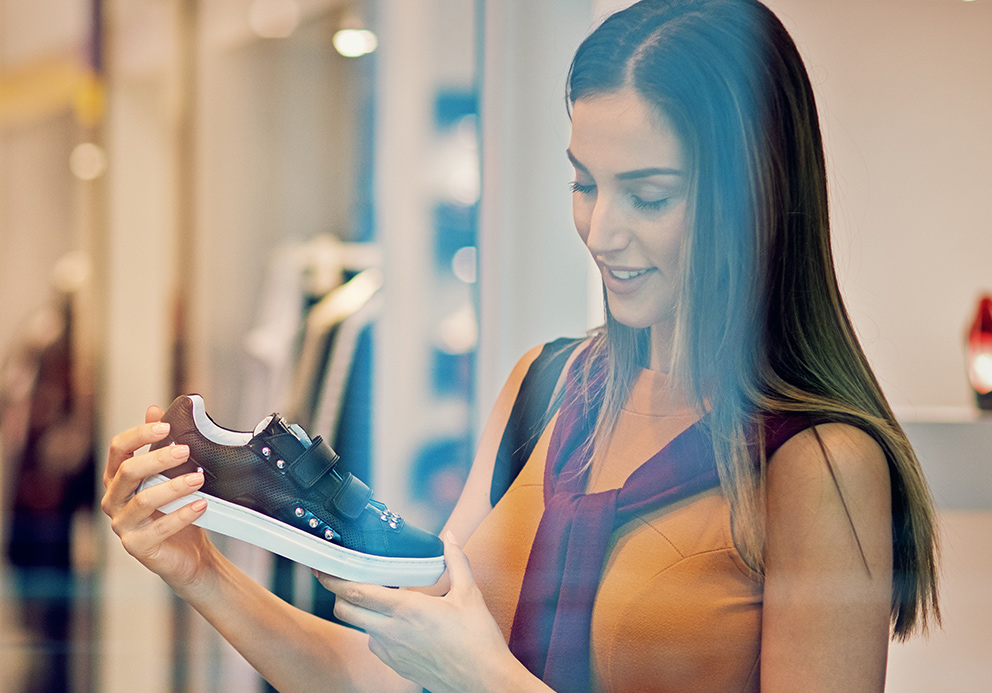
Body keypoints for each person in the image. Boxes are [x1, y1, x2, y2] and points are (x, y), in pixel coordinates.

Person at [98, 1, 941, 691]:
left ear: (752, 193)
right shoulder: (550, 386)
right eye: (584, 183)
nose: (601, 232)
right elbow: (384, 677)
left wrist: (486, 681)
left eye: (648, 194)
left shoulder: (817, 463)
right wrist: (203, 572)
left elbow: (468, 676)